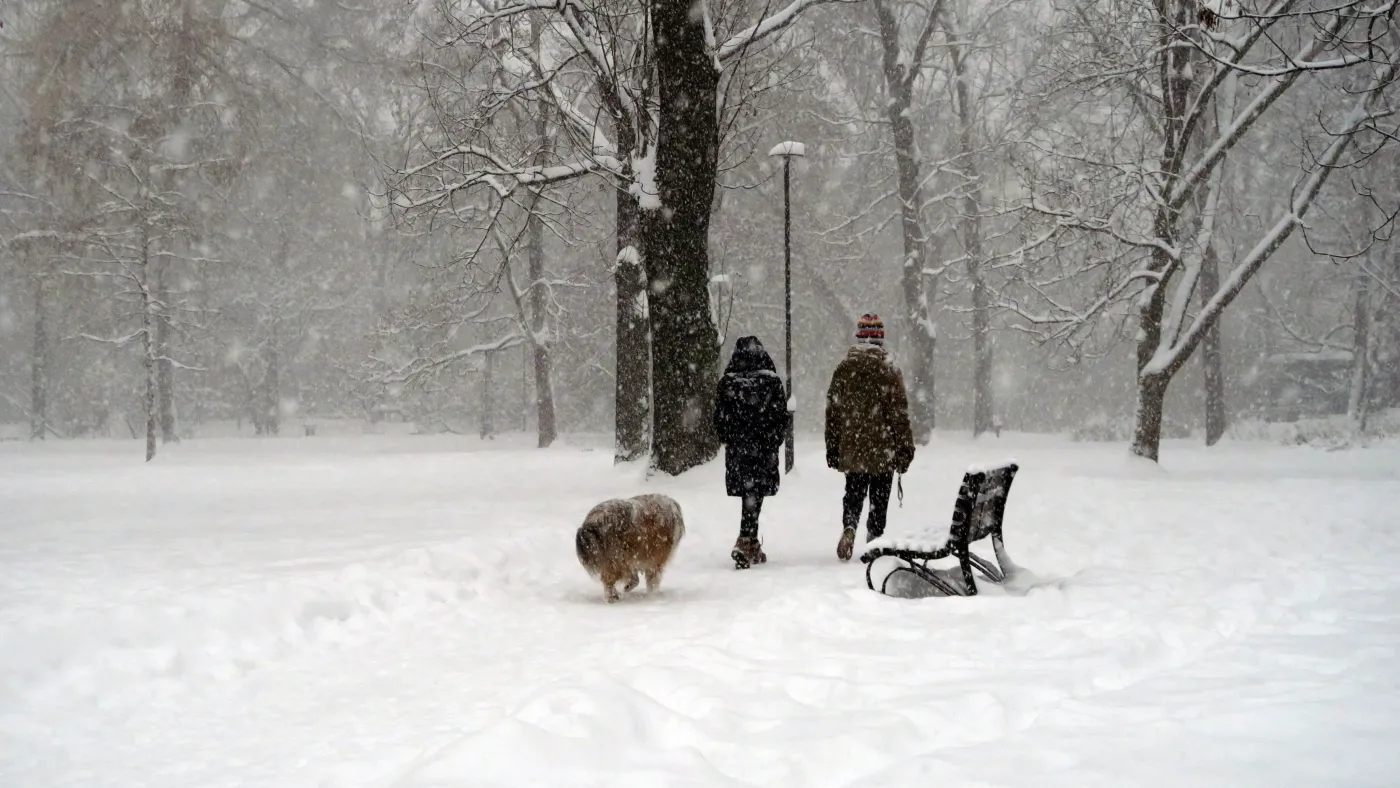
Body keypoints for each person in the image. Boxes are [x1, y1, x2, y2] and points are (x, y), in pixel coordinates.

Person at [824, 313, 916, 561]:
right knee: (879, 495)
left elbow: (833, 411)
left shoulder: (844, 368)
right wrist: (905, 448)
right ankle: (874, 539)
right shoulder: (888, 369)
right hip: (882, 446)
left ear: (859, 338)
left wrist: (832, 446)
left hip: (852, 445)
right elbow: (899, 414)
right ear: (880, 339)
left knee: (853, 491)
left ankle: (850, 526)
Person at [714, 335, 788, 569]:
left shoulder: (727, 383)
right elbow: (780, 416)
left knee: (749, 493)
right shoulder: (772, 382)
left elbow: (719, 419)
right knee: (755, 493)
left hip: (739, 449)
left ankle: (751, 541)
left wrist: (730, 439)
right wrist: (774, 439)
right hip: (764, 448)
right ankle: (745, 539)